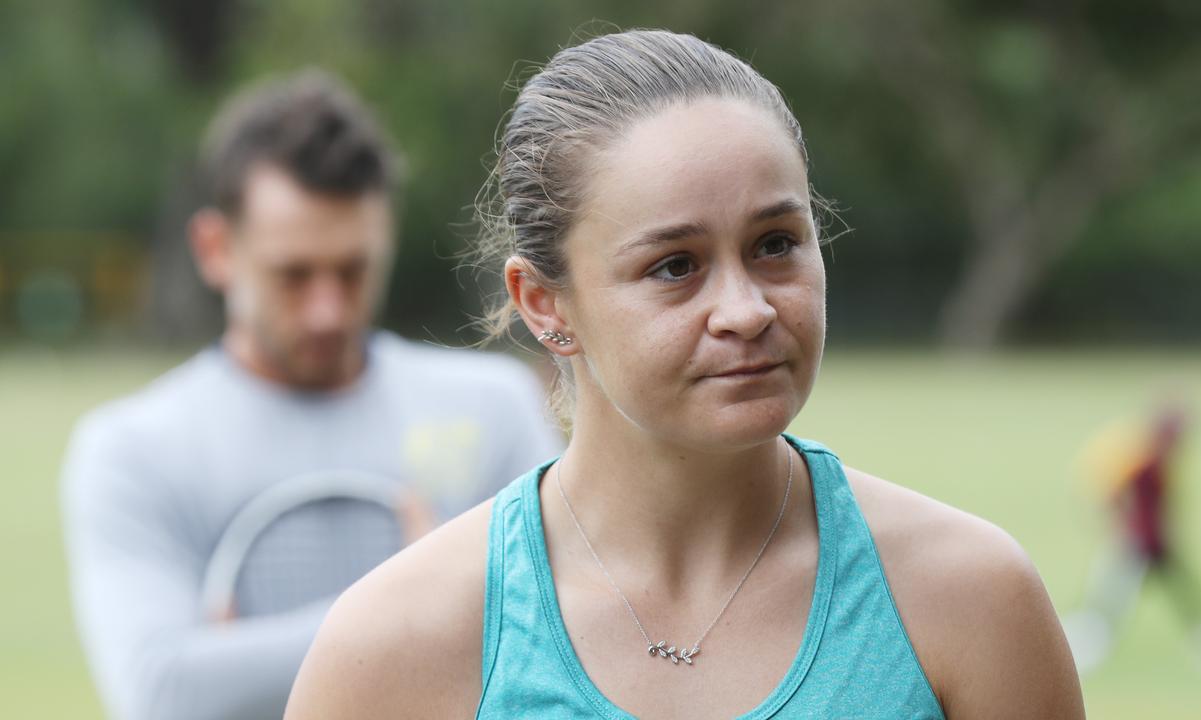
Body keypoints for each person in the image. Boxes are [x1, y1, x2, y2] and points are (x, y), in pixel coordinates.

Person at [286, 31, 1084, 719]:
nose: (746, 309)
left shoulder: (967, 598)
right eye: (675, 266)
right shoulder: (398, 644)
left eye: (776, 245)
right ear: (542, 304)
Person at [60, 70, 562, 720]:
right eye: (293, 275)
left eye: (353, 270)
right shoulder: (132, 447)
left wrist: (245, 654)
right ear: (215, 249)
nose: (327, 310)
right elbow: (164, 692)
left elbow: (565, 639)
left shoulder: (495, 406)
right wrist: (436, 598)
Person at [1063, 401, 1201, 674]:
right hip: (1138, 545)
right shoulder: (1144, 462)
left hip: (1152, 544)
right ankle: (1082, 644)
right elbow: (1115, 496)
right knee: (1112, 601)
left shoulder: (1159, 460)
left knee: (1176, 595)